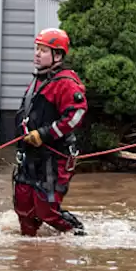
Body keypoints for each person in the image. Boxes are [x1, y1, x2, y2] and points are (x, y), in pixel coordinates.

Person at [12, 27, 88, 237]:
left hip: (54, 157)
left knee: (47, 211)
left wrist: (43, 134)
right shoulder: (39, 79)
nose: (37, 54)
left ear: (58, 55)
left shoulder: (66, 83)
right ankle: (30, 256)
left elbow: (76, 115)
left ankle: (77, 235)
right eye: (36, 49)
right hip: (31, 155)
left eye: (43, 50)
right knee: (23, 207)